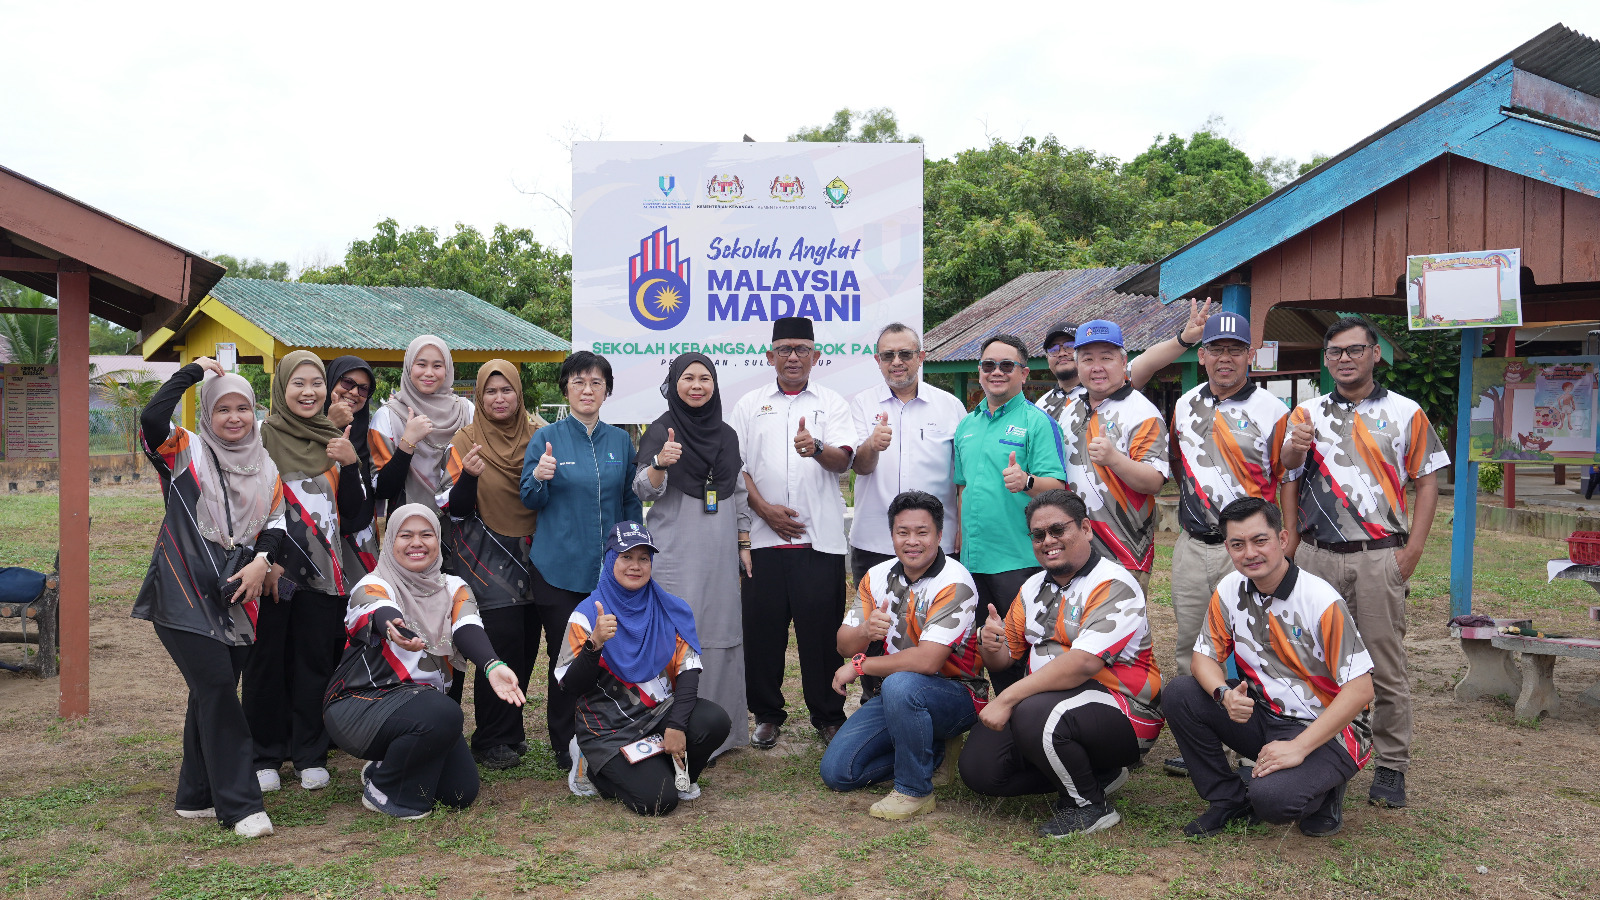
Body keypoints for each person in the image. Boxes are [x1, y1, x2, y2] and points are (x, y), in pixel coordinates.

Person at [1280, 316, 1449, 809]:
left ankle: (1392, 764)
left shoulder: (1406, 412)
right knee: (1313, 658)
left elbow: (1427, 481)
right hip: (1316, 556)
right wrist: (1291, 538)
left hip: (1379, 557)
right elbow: (1288, 472)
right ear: (1326, 359)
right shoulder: (1306, 412)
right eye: (1335, 352)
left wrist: (1412, 550)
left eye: (1355, 350)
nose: (1345, 359)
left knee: (1382, 663)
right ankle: (1324, 751)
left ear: (1376, 354)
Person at [135, 357, 286, 838]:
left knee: (210, 692)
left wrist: (263, 560)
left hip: (237, 594)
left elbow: (276, 525)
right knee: (219, 688)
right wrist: (193, 373)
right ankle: (241, 806)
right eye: (224, 409)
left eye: (244, 407)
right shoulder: (186, 450)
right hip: (181, 590)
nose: (235, 417)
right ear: (208, 414)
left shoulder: (266, 465)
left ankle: (195, 795)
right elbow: (152, 419)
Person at [1165, 498, 1375, 838]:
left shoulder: (1320, 600)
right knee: (1181, 692)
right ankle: (1227, 799)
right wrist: (1223, 695)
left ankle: (1326, 790)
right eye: (1237, 544)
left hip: (1330, 727)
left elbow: (1361, 689)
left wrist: (1299, 747)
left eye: (1260, 540)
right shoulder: (1230, 589)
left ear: (1282, 539)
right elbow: (1202, 658)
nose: (1249, 553)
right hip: (1266, 714)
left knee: (1273, 801)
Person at [959, 490, 1164, 837]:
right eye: (1038, 535)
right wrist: (990, 643)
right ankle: (1094, 772)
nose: (1048, 541)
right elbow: (1005, 657)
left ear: (1085, 528)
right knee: (981, 770)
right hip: (1051, 707)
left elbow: (1081, 664)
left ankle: (1088, 806)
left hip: (1126, 710)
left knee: (1031, 710)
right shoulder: (1032, 586)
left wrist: (1007, 699)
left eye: (1058, 530)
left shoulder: (1114, 583)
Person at [323, 505, 526, 819]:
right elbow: (379, 611)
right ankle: (386, 790)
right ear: (391, 541)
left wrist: (492, 665)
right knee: (444, 711)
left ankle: (383, 767)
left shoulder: (454, 587)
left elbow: (468, 627)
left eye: (426, 534)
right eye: (406, 535)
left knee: (460, 793)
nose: (416, 542)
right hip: (358, 704)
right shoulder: (371, 585)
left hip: (420, 709)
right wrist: (396, 629)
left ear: (437, 539)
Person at [1162, 313, 1289, 778]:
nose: (1225, 357)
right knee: (1192, 644)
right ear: (1203, 354)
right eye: (1216, 348)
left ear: (1249, 355)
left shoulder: (1273, 411)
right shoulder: (1184, 405)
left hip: (1249, 551)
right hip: (1194, 545)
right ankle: (1200, 743)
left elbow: (1286, 477)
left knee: (1256, 647)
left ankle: (1254, 745)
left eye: (1235, 349)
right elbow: (1177, 466)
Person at [247, 351, 372, 794]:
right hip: (271, 571)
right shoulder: (260, 438)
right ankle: (265, 754)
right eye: (298, 383)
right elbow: (252, 504)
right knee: (267, 662)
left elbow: (356, 518)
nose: (308, 392)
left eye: (316, 383)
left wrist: (351, 461)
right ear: (282, 388)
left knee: (315, 662)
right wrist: (265, 557)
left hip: (325, 572)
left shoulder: (337, 438)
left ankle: (309, 753)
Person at [729, 317, 856, 748]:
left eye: (802, 348)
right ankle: (766, 713)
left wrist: (816, 448)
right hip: (763, 542)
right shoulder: (749, 404)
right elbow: (736, 468)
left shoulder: (833, 403)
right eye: (784, 349)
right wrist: (763, 509)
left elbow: (843, 461)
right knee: (762, 633)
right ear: (769, 356)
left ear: (816, 355)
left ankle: (828, 713)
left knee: (820, 634)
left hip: (818, 541)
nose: (793, 357)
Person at [821, 491, 984, 820]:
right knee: (838, 773)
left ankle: (915, 790)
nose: (912, 541)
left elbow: (926, 662)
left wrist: (861, 665)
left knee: (901, 684)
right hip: (897, 696)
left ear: (939, 535)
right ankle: (935, 752)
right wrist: (865, 632)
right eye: (902, 532)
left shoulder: (954, 581)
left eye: (922, 533)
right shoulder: (876, 576)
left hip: (956, 692)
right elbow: (842, 645)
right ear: (892, 534)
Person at [555, 522, 732, 816]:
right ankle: (590, 765)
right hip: (608, 728)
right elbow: (571, 686)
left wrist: (675, 726)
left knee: (714, 721)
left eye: (644, 558)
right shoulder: (587, 616)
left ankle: (670, 772)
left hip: (659, 714)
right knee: (658, 800)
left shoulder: (671, 609)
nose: (635, 566)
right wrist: (594, 644)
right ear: (611, 559)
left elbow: (689, 674)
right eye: (626, 557)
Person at [521, 351, 642, 769]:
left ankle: (608, 728)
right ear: (566, 390)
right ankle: (564, 742)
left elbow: (629, 500)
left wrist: (632, 554)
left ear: (607, 390)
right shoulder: (546, 438)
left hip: (607, 572)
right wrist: (540, 477)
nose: (587, 389)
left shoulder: (621, 442)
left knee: (608, 651)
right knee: (567, 655)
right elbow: (529, 498)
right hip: (558, 569)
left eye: (595, 382)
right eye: (578, 382)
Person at [633, 352, 750, 757]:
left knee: (717, 632)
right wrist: (660, 464)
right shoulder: (661, 432)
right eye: (688, 378)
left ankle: (720, 732)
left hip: (719, 553)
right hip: (674, 554)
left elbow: (737, 493)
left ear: (715, 385)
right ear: (674, 384)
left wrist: (744, 543)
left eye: (705, 378)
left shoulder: (727, 435)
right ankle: (668, 727)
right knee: (675, 635)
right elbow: (643, 491)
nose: (697, 385)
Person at [447, 360, 549, 769]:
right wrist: (469, 476)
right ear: (479, 397)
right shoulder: (465, 439)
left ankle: (512, 731)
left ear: (519, 394)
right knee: (501, 645)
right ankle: (490, 738)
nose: (499, 398)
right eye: (490, 391)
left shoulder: (542, 437)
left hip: (536, 550)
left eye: (507, 390)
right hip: (486, 553)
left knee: (526, 645)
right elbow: (455, 508)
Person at [951, 333, 1066, 680]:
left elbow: (1058, 487)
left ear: (1024, 373)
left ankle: (1026, 722)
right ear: (980, 371)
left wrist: (1027, 482)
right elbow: (962, 487)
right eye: (989, 365)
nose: (996, 372)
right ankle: (991, 718)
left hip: (1018, 559)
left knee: (1021, 649)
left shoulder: (1038, 422)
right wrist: (959, 539)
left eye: (1006, 365)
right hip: (973, 560)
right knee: (982, 646)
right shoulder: (966, 425)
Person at [847, 324, 967, 583]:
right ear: (878, 361)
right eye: (888, 355)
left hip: (936, 540)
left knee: (936, 619)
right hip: (875, 540)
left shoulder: (950, 406)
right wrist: (872, 445)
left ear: (921, 357)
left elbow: (963, 479)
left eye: (906, 354)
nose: (897, 362)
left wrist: (963, 528)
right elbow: (860, 466)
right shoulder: (861, 404)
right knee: (874, 620)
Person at [1058, 320, 1169, 593]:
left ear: (1123, 361)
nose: (1097, 367)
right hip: (1073, 546)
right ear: (1077, 365)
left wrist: (1114, 459)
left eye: (1106, 358)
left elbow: (1154, 481)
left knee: (1119, 630)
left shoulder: (1142, 412)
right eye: (1087, 359)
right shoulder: (1069, 410)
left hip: (1123, 548)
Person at [1033, 299, 1213, 424]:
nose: (1062, 352)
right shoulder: (1041, 405)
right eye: (1054, 349)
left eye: (1069, 345)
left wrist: (1185, 338)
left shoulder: (1111, 383)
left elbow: (1148, 361)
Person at [369, 335, 473, 530]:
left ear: (447, 369)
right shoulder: (387, 416)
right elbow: (381, 488)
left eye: (437, 366)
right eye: (421, 364)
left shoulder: (466, 411)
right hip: (407, 527)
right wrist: (407, 442)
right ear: (409, 367)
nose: (429, 373)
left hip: (462, 526)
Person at [324, 356, 380, 575]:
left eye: (364, 389)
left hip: (359, 543)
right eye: (347, 383)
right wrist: (330, 425)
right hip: (313, 541)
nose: (355, 392)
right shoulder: (302, 428)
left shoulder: (369, 436)